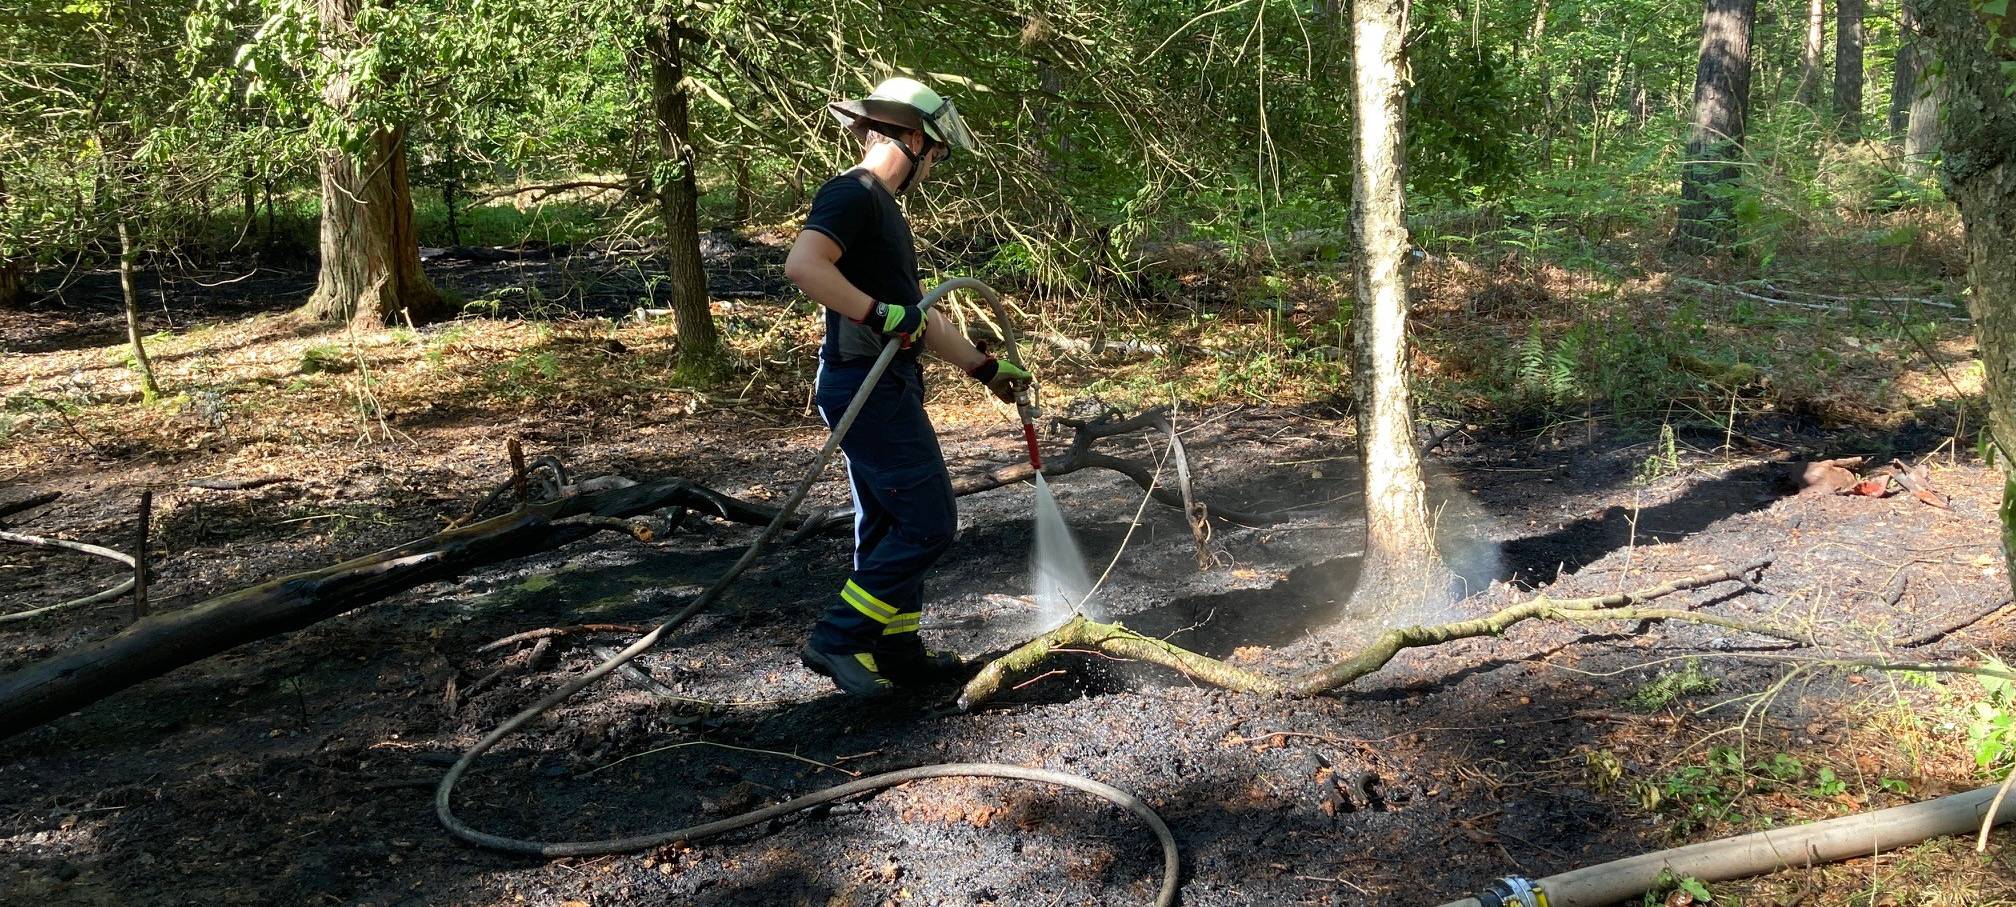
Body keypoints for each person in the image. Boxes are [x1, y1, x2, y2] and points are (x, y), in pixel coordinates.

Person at [783, 77, 1032, 698]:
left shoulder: (882, 209)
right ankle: (838, 638)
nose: (934, 166)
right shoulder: (853, 193)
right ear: (916, 140)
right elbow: (804, 266)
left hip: (882, 383)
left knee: (888, 520)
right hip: (865, 386)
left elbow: (918, 315)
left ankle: (895, 648)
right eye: (937, 154)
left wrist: (985, 369)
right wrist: (876, 313)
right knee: (928, 521)